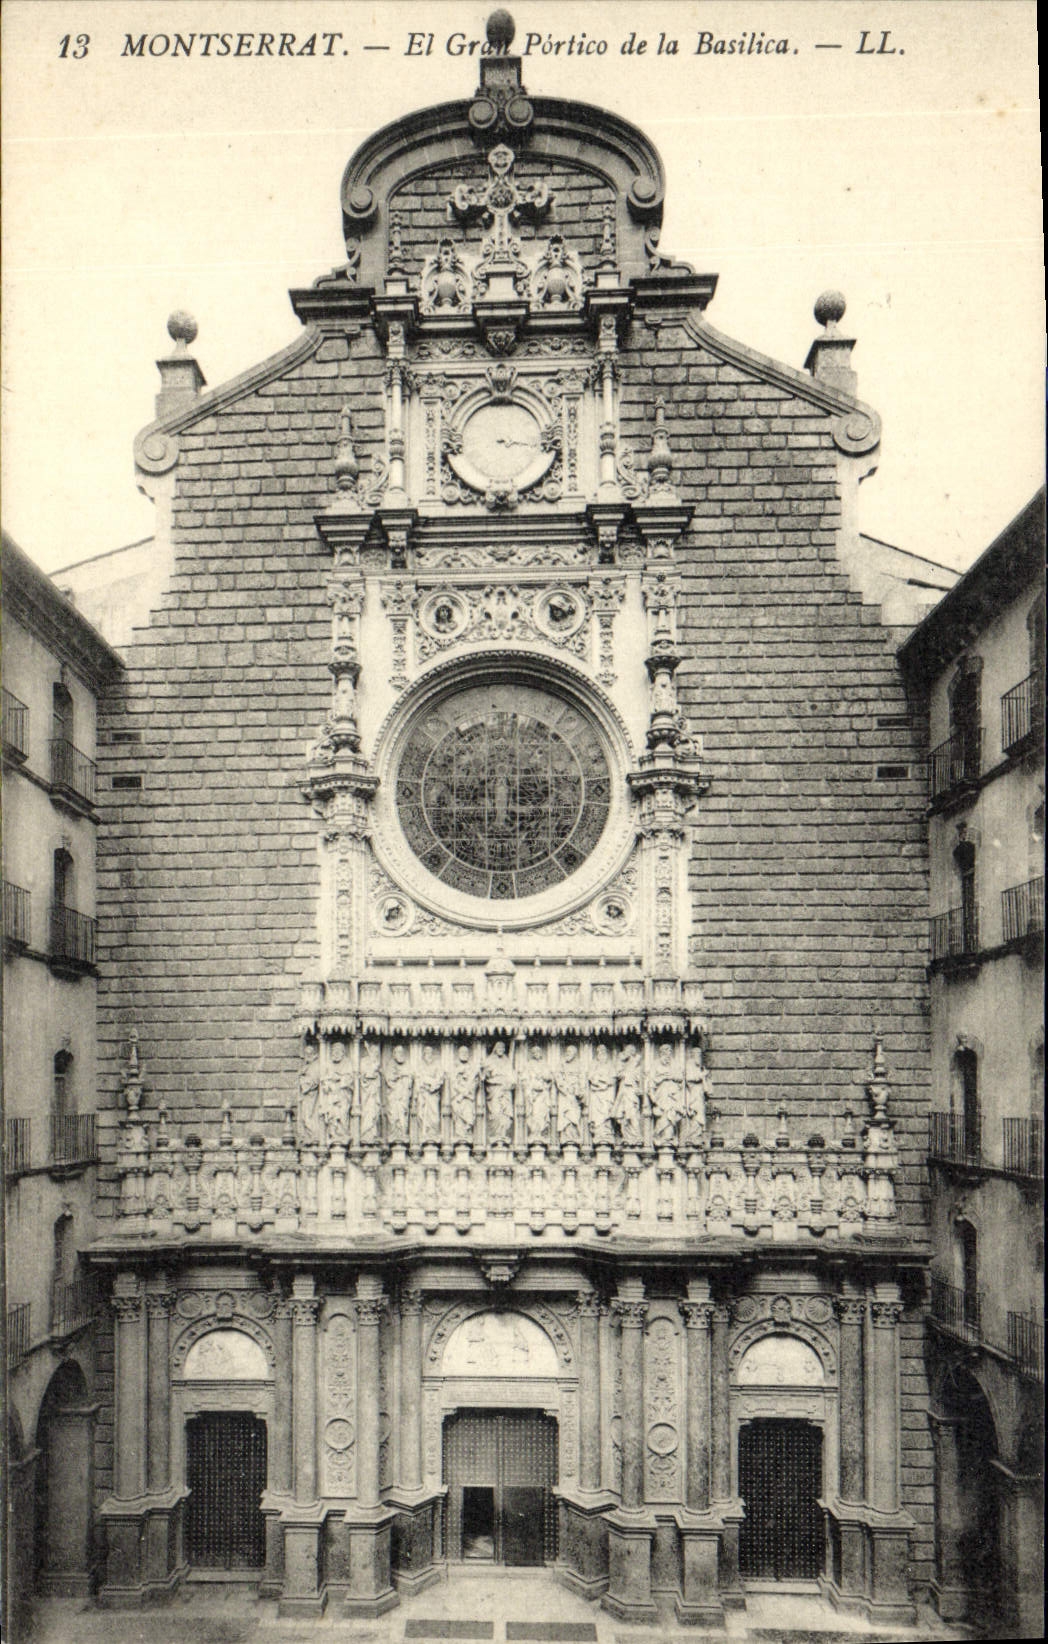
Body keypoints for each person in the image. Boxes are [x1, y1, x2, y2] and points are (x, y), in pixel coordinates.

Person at [650, 1041, 684, 1146]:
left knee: (671, 1113)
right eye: (665, 1052)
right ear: (661, 1053)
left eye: (670, 1051)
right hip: (661, 1093)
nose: (668, 1054)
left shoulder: (675, 1064)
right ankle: (660, 1136)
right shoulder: (655, 1064)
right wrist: (661, 1078)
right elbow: (651, 1080)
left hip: (673, 1094)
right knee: (663, 1114)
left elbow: (680, 1078)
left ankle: (669, 1138)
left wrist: (671, 1076)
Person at [482, 1040, 515, 1146]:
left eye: (503, 1048)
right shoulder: (489, 1060)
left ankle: (503, 1134)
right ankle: (496, 1135)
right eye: (499, 1048)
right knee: (495, 1112)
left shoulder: (507, 1061)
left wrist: (511, 1082)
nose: (501, 1050)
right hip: (494, 1091)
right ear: (495, 1049)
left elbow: (512, 1076)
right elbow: (484, 1075)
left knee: (506, 1114)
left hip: (505, 1092)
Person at [522, 1041, 553, 1146]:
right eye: (534, 1052)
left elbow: (550, 1078)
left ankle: (540, 1133)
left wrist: (544, 1077)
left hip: (543, 1094)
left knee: (542, 1113)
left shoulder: (545, 1064)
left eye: (538, 1052)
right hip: (533, 1095)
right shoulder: (529, 1065)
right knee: (534, 1113)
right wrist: (531, 1086)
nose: (536, 1054)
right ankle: (534, 1133)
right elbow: (524, 1079)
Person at [614, 1041, 644, 1147]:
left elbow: (640, 1080)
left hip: (632, 1092)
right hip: (625, 1091)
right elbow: (618, 1074)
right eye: (629, 1051)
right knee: (625, 1114)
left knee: (633, 1113)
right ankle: (627, 1135)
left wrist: (639, 1087)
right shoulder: (624, 1065)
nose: (631, 1053)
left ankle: (635, 1135)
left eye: (633, 1051)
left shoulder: (637, 1068)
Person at [587, 1041, 616, 1145]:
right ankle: (599, 1133)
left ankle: (606, 1133)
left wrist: (604, 1081)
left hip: (606, 1094)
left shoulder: (610, 1065)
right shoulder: (594, 1065)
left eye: (604, 1053)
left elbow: (613, 1080)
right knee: (597, 1114)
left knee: (606, 1113)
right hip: (596, 1093)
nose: (602, 1055)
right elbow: (590, 1077)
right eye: (600, 1053)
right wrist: (598, 1082)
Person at [416, 1042, 445, 1144]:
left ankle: (433, 1133)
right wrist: (425, 1084)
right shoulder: (420, 1066)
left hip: (433, 1094)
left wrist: (434, 1085)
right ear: (423, 1054)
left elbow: (440, 1078)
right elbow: (418, 1078)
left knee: (434, 1116)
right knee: (423, 1114)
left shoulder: (437, 1065)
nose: (428, 1054)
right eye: (426, 1052)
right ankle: (425, 1134)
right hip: (424, 1094)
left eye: (430, 1052)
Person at [384, 1043, 413, 1143]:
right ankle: (394, 1132)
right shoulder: (390, 1065)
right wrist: (397, 1077)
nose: (400, 1054)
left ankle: (402, 1133)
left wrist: (404, 1077)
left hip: (403, 1095)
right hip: (394, 1095)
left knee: (403, 1113)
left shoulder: (407, 1065)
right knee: (393, 1113)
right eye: (398, 1052)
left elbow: (410, 1080)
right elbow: (388, 1079)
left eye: (402, 1052)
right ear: (394, 1054)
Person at [556, 1043, 584, 1146]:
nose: (568, 1053)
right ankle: (566, 1137)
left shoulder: (579, 1065)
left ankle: (574, 1136)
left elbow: (582, 1078)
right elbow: (558, 1078)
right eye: (567, 1051)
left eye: (570, 1052)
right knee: (565, 1115)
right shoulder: (561, 1064)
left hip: (574, 1093)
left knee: (574, 1114)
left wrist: (579, 1090)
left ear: (575, 1054)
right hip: (565, 1094)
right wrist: (565, 1087)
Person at [450, 1043, 477, 1143]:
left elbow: (474, 1083)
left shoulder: (472, 1068)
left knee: (468, 1115)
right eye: (462, 1052)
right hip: (458, 1097)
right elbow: (452, 1083)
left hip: (468, 1098)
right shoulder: (455, 1068)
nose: (464, 1054)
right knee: (459, 1116)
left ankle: (467, 1132)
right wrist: (461, 1092)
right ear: (458, 1054)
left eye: (466, 1052)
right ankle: (460, 1134)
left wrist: (468, 1091)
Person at [358, 1041, 382, 1145]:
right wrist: (371, 1071)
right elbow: (363, 1075)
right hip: (366, 1094)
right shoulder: (364, 1061)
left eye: (377, 1052)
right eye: (374, 1051)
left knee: (374, 1112)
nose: (376, 1054)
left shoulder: (376, 1062)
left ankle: (373, 1133)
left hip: (374, 1093)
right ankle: (365, 1134)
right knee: (367, 1111)